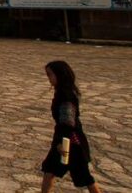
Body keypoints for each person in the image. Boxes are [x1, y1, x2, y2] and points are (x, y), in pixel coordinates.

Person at [41, 60, 103, 193]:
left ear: (60, 75)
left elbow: (67, 122)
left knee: (85, 177)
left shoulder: (66, 96)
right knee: (49, 170)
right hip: (65, 140)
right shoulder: (62, 93)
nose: (49, 79)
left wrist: (61, 143)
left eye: (50, 75)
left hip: (71, 142)